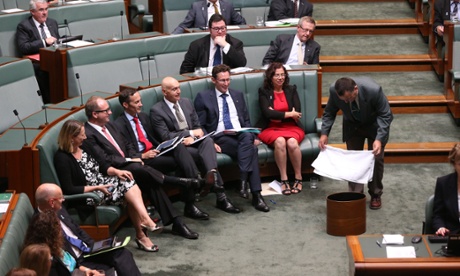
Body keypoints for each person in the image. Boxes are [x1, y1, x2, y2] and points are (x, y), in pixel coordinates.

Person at [82, 96, 200, 239]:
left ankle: (177, 222)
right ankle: (175, 182)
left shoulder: (110, 126)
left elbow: (128, 144)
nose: (110, 113)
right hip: (114, 171)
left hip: (134, 163)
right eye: (106, 110)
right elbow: (105, 160)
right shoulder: (87, 134)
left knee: (151, 181)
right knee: (140, 172)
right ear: (95, 114)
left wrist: (137, 157)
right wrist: (132, 160)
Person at [54, 119, 162, 252]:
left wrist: (117, 171)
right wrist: (96, 188)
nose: (85, 137)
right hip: (90, 195)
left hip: (104, 183)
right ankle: (142, 232)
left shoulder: (85, 146)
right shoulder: (62, 158)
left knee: (127, 179)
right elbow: (69, 189)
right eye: (82, 135)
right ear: (71, 137)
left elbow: (103, 165)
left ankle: (143, 227)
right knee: (128, 188)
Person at [115, 88, 215, 219]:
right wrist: (142, 156)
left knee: (179, 146)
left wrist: (165, 146)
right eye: (137, 102)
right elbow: (127, 150)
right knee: (182, 162)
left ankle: (195, 179)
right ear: (125, 105)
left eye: (140, 101)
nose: (141, 104)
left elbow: (154, 138)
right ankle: (192, 198)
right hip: (143, 159)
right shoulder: (119, 124)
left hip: (157, 151)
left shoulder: (143, 117)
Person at [150, 77, 241, 213]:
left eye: (179, 88)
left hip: (195, 143)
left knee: (208, 141)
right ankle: (220, 195)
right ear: (164, 91)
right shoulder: (157, 110)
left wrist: (195, 136)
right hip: (177, 147)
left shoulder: (186, 103)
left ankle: (212, 182)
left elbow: (198, 126)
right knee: (202, 154)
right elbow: (165, 136)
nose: (178, 91)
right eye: (174, 89)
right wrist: (189, 134)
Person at [194, 64, 270, 212]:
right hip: (221, 137)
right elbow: (200, 125)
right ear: (213, 80)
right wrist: (210, 142)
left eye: (228, 80)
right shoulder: (203, 97)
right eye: (222, 80)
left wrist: (253, 135)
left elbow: (246, 121)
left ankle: (243, 182)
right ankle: (256, 194)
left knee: (248, 136)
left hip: (241, 134)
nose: (226, 83)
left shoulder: (237, 95)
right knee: (252, 150)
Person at [318, 77, 393, 210]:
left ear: (356, 89)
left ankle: (375, 194)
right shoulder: (334, 91)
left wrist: (379, 139)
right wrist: (324, 133)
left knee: (376, 158)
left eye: (349, 98)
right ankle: (356, 194)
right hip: (352, 126)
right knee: (353, 159)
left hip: (374, 125)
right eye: (344, 100)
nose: (346, 102)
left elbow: (385, 115)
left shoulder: (374, 90)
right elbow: (329, 112)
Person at [34, 184, 140, 275]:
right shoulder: (41, 226)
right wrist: (79, 268)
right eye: (60, 198)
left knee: (122, 253)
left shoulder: (60, 210)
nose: (63, 200)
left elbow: (77, 230)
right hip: (76, 262)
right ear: (52, 202)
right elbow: (59, 257)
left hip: (87, 250)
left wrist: (94, 247)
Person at [255, 63, 304, 195]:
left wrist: (277, 115)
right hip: (271, 128)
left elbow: (297, 112)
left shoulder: (291, 89)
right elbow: (268, 114)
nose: (280, 77)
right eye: (277, 75)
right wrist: (288, 114)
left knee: (292, 142)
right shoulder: (264, 92)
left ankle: (298, 177)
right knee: (280, 141)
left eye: (283, 74)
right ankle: (284, 179)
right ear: (270, 76)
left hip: (292, 127)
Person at [23, 211, 104, 276]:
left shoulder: (57, 244)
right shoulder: (46, 258)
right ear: (52, 234)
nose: (61, 232)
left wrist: (87, 270)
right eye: (59, 229)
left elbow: (75, 265)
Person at [16, 0, 58, 103]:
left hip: (54, 56)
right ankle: (49, 102)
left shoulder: (52, 22)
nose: (45, 13)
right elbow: (24, 47)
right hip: (37, 61)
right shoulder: (24, 26)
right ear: (32, 12)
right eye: (41, 10)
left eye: (46, 9)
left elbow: (58, 41)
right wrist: (44, 42)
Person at [180, 14, 247, 74]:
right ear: (209, 29)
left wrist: (225, 45)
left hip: (225, 81)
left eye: (222, 28)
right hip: (204, 80)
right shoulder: (196, 45)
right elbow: (185, 70)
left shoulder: (235, 43)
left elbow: (242, 63)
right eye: (216, 29)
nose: (220, 31)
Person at [172, 0, 246, 34]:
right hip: (204, 39)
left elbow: (242, 22)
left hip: (224, 37)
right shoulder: (196, 6)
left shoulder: (227, 6)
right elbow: (184, 26)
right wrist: (172, 37)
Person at [433, 143, 460, 236]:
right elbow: (438, 215)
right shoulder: (443, 183)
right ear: (454, 164)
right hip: (451, 236)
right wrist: (440, 227)